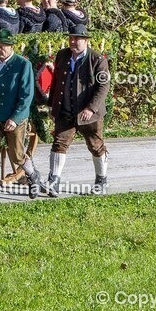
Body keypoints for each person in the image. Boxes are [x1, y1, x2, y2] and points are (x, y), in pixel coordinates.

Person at [0, 29, 42, 202]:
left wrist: (15, 118)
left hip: (14, 116)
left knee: (17, 155)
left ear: (11, 46)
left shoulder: (22, 64)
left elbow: (27, 95)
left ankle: (33, 175)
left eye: (2, 46)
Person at [47, 24, 110, 195]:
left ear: (86, 40)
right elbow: (56, 83)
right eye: (71, 38)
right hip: (66, 110)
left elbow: (103, 87)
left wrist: (91, 108)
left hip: (89, 114)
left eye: (77, 38)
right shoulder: (62, 55)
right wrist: (53, 107)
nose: (73, 42)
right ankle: (54, 180)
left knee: (96, 146)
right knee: (59, 143)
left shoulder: (98, 59)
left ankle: (101, 180)